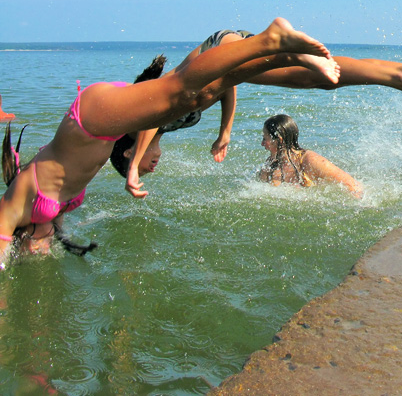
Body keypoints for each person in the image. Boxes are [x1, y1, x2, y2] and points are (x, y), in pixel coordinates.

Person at [0, 18, 341, 261]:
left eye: (35, 247)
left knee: (180, 92)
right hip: (103, 128)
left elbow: (152, 126)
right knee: (195, 94)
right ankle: (288, 53)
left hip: (88, 119)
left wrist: (133, 167)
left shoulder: (14, 207)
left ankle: (272, 39)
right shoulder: (47, 214)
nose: (42, 249)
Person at [120, 28, 402, 191]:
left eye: (145, 165)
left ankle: (283, 43)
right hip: (224, 62)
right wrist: (224, 131)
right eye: (148, 169)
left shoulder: (145, 120)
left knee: (304, 72)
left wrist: (134, 166)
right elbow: (224, 87)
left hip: (219, 49)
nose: (154, 166)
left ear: (129, 146)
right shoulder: (163, 123)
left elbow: (154, 116)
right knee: (319, 78)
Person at [257, 114, 363, 198]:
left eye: (265, 139)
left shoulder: (309, 160)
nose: (262, 144)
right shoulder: (271, 163)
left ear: (279, 140)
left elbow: (353, 186)